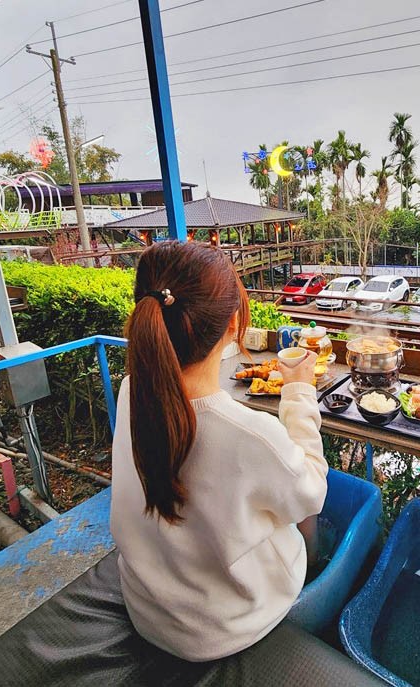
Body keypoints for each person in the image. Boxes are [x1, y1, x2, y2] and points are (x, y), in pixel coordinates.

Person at [110, 241, 328, 662]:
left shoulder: (130, 391)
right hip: (224, 628)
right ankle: (318, 575)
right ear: (233, 325)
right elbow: (312, 492)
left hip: (148, 609)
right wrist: (300, 390)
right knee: (301, 516)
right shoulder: (251, 434)